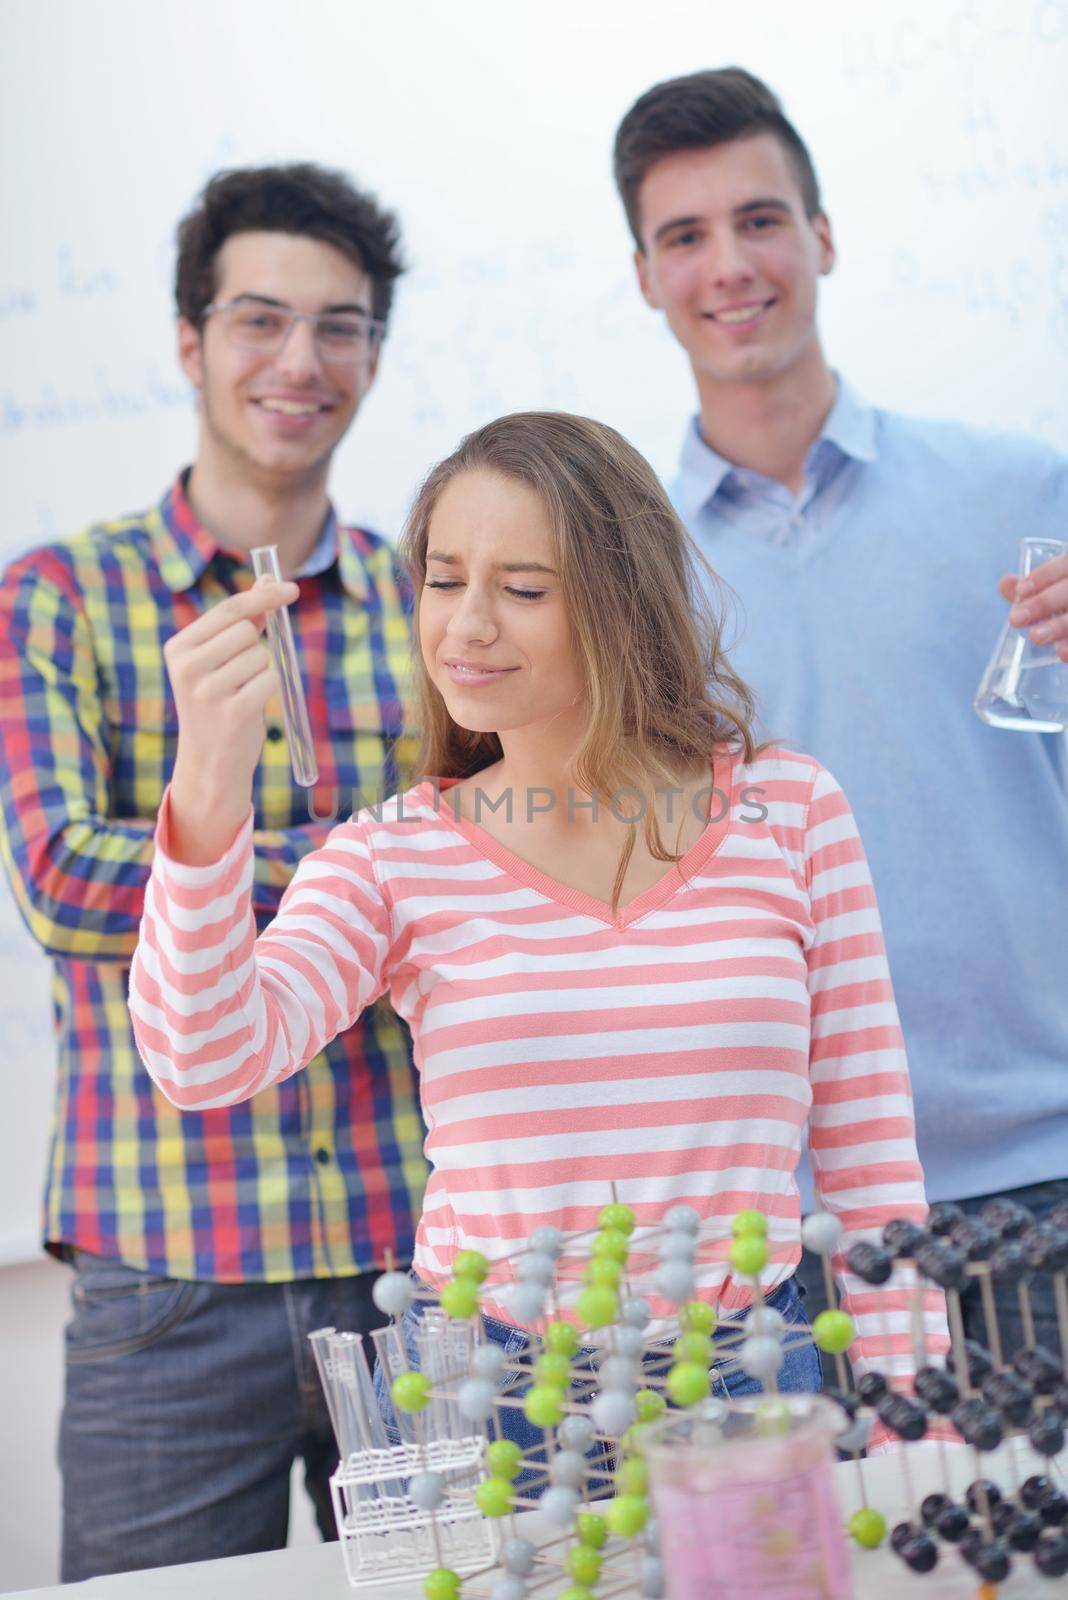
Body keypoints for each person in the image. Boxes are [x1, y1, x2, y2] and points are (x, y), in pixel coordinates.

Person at [127, 410, 947, 1458]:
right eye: (442, 577)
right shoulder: (394, 857)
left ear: (623, 605)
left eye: (521, 589)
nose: (465, 626)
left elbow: (871, 1159)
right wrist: (206, 790)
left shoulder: (789, 810)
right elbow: (203, 1057)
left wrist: (914, 1423)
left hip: (752, 1377)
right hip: (499, 1400)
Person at [0, 163, 428, 1579]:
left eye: (341, 326)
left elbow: (495, 870)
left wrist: (212, 857)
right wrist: (364, 864)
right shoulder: (58, 597)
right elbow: (64, 882)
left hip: (415, 1253)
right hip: (167, 1269)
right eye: (259, 319)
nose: (300, 361)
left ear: (372, 351)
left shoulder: (438, 603)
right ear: (190, 341)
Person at [612, 68, 1068, 1361]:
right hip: (781, 1236)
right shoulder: (624, 578)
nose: (730, 265)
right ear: (643, 275)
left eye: (760, 219)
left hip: (1043, 1172)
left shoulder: (1023, 489)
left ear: (822, 236)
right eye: (683, 236)